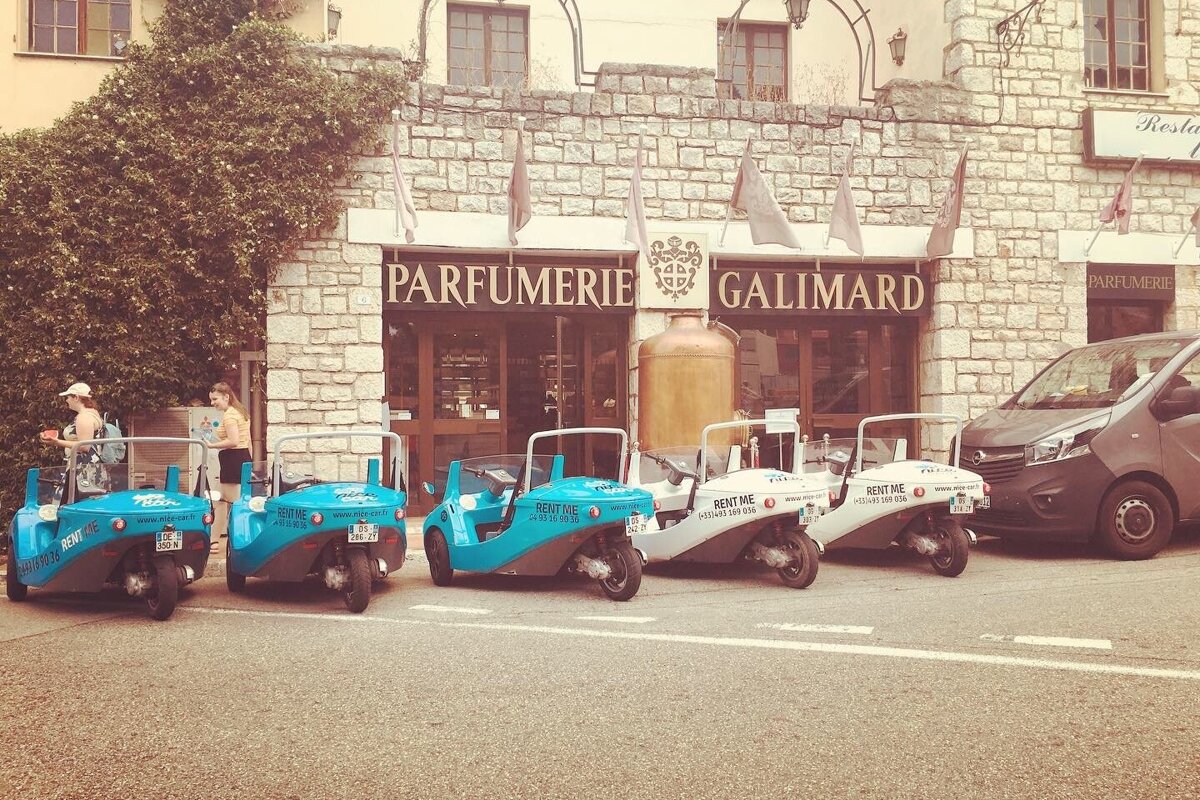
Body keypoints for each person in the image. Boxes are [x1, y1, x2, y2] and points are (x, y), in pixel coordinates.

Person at [208, 382, 253, 552]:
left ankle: (231, 541)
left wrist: (211, 445)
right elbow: (247, 441)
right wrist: (250, 463)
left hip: (232, 459)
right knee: (226, 501)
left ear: (226, 397)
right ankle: (216, 540)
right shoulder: (241, 412)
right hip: (242, 459)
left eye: (215, 399)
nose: (212, 403)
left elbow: (233, 441)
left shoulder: (229, 416)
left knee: (228, 502)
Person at [40, 381, 105, 497]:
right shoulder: (93, 413)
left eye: (68, 397)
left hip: (82, 469)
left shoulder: (83, 417)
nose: (66, 400)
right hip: (92, 467)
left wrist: (56, 442)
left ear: (76, 397)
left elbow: (85, 446)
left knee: (73, 503)